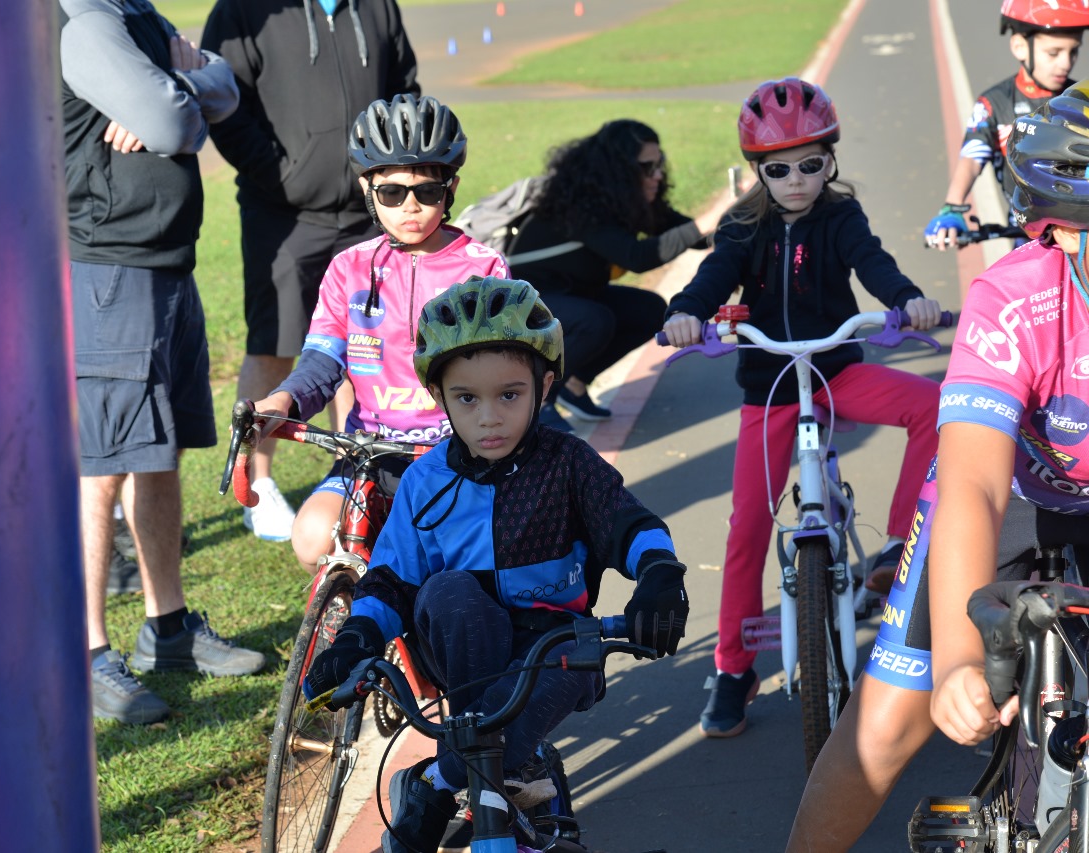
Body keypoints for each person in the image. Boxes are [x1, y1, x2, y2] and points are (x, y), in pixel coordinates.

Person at [787, 80, 1089, 853]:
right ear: (1059, 233)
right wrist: (960, 662)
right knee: (883, 731)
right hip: (1018, 493)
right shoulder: (1016, 301)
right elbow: (974, 487)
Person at [296, 276, 689, 852]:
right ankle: (506, 767)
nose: (489, 418)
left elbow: (628, 523)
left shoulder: (569, 463)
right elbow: (393, 581)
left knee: (541, 681)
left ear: (544, 385)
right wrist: (354, 636)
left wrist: (659, 575)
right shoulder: (426, 480)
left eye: (509, 394)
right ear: (439, 397)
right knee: (447, 590)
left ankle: (435, 784)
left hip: (556, 646)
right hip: (463, 648)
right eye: (467, 399)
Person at [661, 77, 943, 738]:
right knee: (746, 530)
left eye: (811, 165)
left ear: (830, 160)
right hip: (769, 388)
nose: (795, 179)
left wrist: (907, 299)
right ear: (758, 170)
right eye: (778, 168)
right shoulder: (743, 224)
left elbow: (870, 262)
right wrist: (684, 314)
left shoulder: (839, 217)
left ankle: (897, 544)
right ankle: (734, 668)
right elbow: (714, 276)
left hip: (834, 371)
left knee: (933, 406)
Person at [59, 0, 265, 725]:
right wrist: (173, 89)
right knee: (102, 466)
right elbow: (179, 123)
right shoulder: (85, 22)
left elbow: (223, 86)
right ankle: (88, 654)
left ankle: (167, 630)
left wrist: (173, 83)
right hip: (110, 269)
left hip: (166, 263)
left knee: (160, 450)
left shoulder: (134, 13)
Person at [250, 94, 508, 574]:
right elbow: (323, 360)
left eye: (427, 192)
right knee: (311, 540)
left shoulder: (484, 269)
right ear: (368, 187)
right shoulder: (349, 268)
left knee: (448, 572)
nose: (410, 207)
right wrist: (282, 401)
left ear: (450, 189)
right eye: (392, 193)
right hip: (368, 452)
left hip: (455, 453)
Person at [201, 0, 419, 541]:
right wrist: (282, 174)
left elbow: (404, 86)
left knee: (363, 342)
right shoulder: (245, 11)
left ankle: (352, 469)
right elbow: (224, 103)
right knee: (274, 343)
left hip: (371, 206)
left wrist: (390, 174)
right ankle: (260, 483)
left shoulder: (376, 6)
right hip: (284, 212)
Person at [507, 119, 724, 432]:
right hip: (527, 303)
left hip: (571, 295)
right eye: (648, 167)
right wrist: (706, 222)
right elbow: (637, 257)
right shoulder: (581, 206)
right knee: (594, 320)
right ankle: (537, 403)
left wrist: (730, 227)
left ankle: (573, 386)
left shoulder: (623, 201)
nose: (658, 174)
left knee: (650, 309)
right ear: (620, 171)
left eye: (659, 165)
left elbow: (682, 231)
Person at [924, 0, 1089, 250]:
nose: (1065, 62)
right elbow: (972, 156)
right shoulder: (994, 102)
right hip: (1030, 234)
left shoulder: (1080, 98)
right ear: (1020, 46)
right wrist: (952, 205)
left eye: (1073, 51)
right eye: (1053, 53)